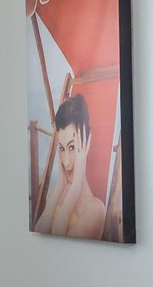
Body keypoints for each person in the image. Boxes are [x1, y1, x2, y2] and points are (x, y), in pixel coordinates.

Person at [35, 93, 107, 239]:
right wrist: (62, 184)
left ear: (86, 144)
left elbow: (57, 242)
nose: (66, 162)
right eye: (62, 149)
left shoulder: (96, 210)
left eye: (72, 147)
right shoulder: (57, 190)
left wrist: (75, 186)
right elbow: (39, 232)